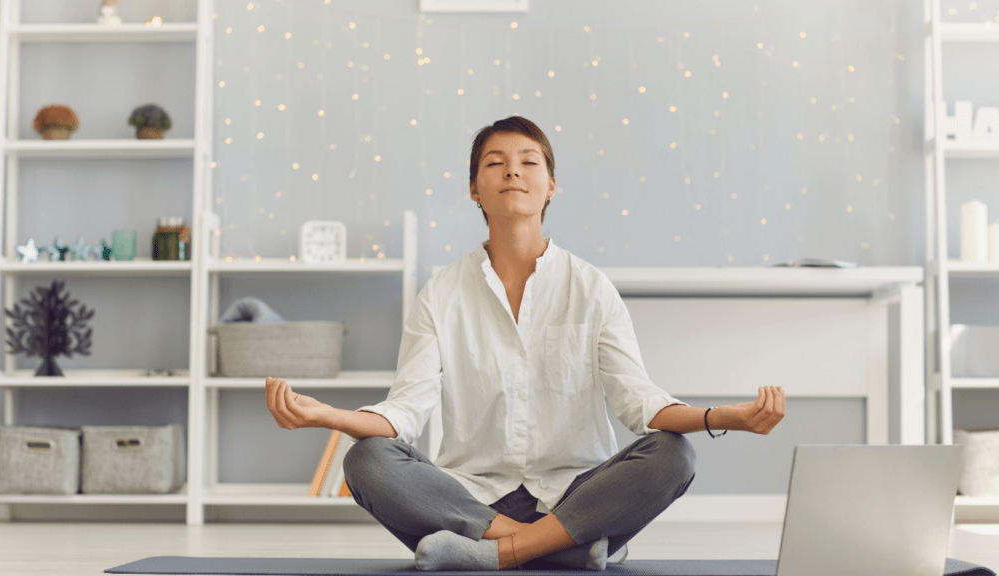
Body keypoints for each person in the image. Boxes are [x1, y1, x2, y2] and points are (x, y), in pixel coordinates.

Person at [265, 116, 786, 571]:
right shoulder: (441, 293)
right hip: (470, 501)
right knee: (365, 461)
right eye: (495, 162)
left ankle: (492, 555)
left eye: (528, 161)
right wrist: (327, 416)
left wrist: (724, 417)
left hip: (578, 495)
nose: (512, 170)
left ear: (551, 185)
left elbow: (641, 404)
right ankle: (562, 551)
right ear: (474, 188)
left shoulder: (590, 287)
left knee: (675, 455)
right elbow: (405, 413)